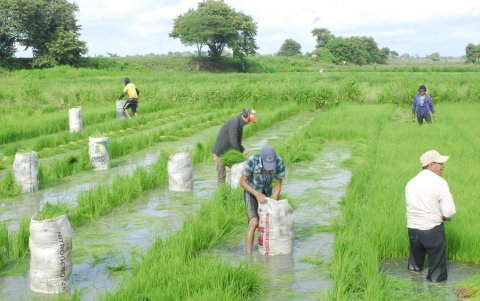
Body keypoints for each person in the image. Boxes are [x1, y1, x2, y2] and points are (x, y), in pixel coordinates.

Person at [405, 149, 456, 282]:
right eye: (440, 163)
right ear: (431, 165)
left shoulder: (411, 183)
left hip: (412, 230)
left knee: (414, 268)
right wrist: (445, 217)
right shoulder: (440, 183)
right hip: (432, 230)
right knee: (436, 276)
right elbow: (449, 212)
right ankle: (435, 293)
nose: (443, 166)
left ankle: (413, 289)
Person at [239, 146, 285, 254]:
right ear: (261, 158)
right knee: (254, 222)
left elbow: (278, 185)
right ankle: (249, 257)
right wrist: (256, 194)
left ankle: (263, 250)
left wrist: (273, 202)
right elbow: (242, 182)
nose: (269, 168)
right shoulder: (252, 161)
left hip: (266, 193)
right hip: (251, 192)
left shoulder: (279, 163)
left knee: (264, 222)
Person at [211, 108, 256, 185]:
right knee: (221, 177)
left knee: (238, 170)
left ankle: (237, 190)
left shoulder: (240, 126)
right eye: (249, 120)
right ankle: (222, 194)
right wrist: (240, 155)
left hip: (228, 153)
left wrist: (243, 150)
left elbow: (237, 143)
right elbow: (233, 142)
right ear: (244, 116)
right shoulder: (234, 122)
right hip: (220, 153)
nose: (249, 122)